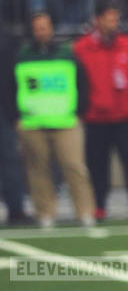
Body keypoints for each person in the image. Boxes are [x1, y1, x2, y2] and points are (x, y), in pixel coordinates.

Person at [73, 1, 128, 221]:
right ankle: (98, 205)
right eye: (110, 18)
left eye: (116, 18)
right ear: (98, 19)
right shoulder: (82, 48)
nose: (114, 23)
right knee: (97, 163)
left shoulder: (126, 44)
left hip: (124, 115)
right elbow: (78, 81)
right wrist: (87, 106)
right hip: (96, 116)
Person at [13, 12, 95, 227]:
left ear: (52, 28)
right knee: (38, 170)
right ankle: (46, 213)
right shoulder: (23, 55)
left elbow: (83, 83)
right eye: (37, 27)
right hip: (33, 123)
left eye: (45, 27)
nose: (41, 31)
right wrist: (16, 117)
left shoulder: (67, 53)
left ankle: (85, 212)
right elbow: (10, 87)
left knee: (74, 167)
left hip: (66, 121)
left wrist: (80, 112)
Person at [0, 28, 29, 225]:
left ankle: (16, 209)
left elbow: (16, 77)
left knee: (10, 160)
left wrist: (15, 111)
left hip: (4, 109)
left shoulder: (7, 39)